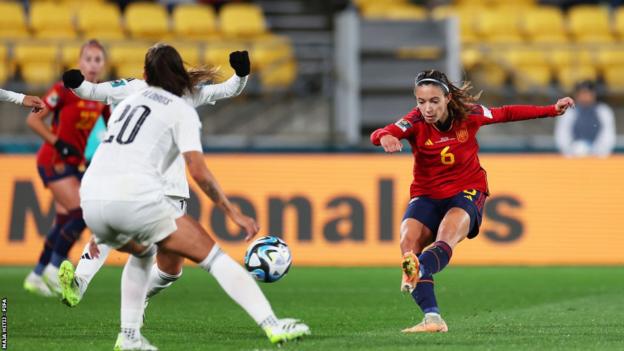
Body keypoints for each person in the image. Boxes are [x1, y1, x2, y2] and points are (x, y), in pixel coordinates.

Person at [78, 43, 310, 350]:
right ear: (180, 73)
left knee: (144, 254)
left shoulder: (131, 97)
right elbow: (198, 171)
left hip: (91, 194)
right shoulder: (180, 107)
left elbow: (98, 112)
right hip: (136, 196)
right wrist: (231, 211)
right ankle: (272, 324)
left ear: (146, 74)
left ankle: (129, 335)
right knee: (214, 258)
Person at [370, 69, 574, 333]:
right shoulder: (414, 121)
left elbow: (507, 113)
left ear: (447, 98)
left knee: (447, 235)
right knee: (407, 242)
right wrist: (385, 137)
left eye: (434, 101)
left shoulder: (469, 115)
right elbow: (382, 132)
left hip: (467, 189)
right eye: (421, 102)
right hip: (427, 193)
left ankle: (418, 269)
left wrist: (551, 110)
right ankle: (432, 319)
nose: (427, 108)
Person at [57, 50, 250, 310]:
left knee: (170, 270)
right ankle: (79, 282)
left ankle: (138, 295)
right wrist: (77, 84)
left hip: (164, 189)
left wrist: (241, 74)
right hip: (145, 183)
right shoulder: (134, 88)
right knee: (113, 231)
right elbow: (93, 92)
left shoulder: (184, 93)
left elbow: (227, 90)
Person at [23, 40, 110, 297]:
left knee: (63, 219)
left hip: (74, 163)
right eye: (89, 59)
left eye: (98, 60)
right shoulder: (63, 90)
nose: (93, 65)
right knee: (81, 212)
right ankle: (53, 268)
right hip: (53, 159)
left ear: (103, 65)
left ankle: (36, 274)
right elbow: (33, 119)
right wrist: (58, 143)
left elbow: (115, 127)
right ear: (80, 62)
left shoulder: (102, 96)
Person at [554, 80, 616, 158]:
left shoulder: (603, 111)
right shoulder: (568, 112)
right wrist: (572, 152)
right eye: (582, 93)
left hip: (597, 157)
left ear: (594, 94)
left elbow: (608, 136)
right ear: (576, 95)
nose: (585, 96)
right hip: (573, 156)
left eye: (588, 93)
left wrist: (598, 153)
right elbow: (562, 136)